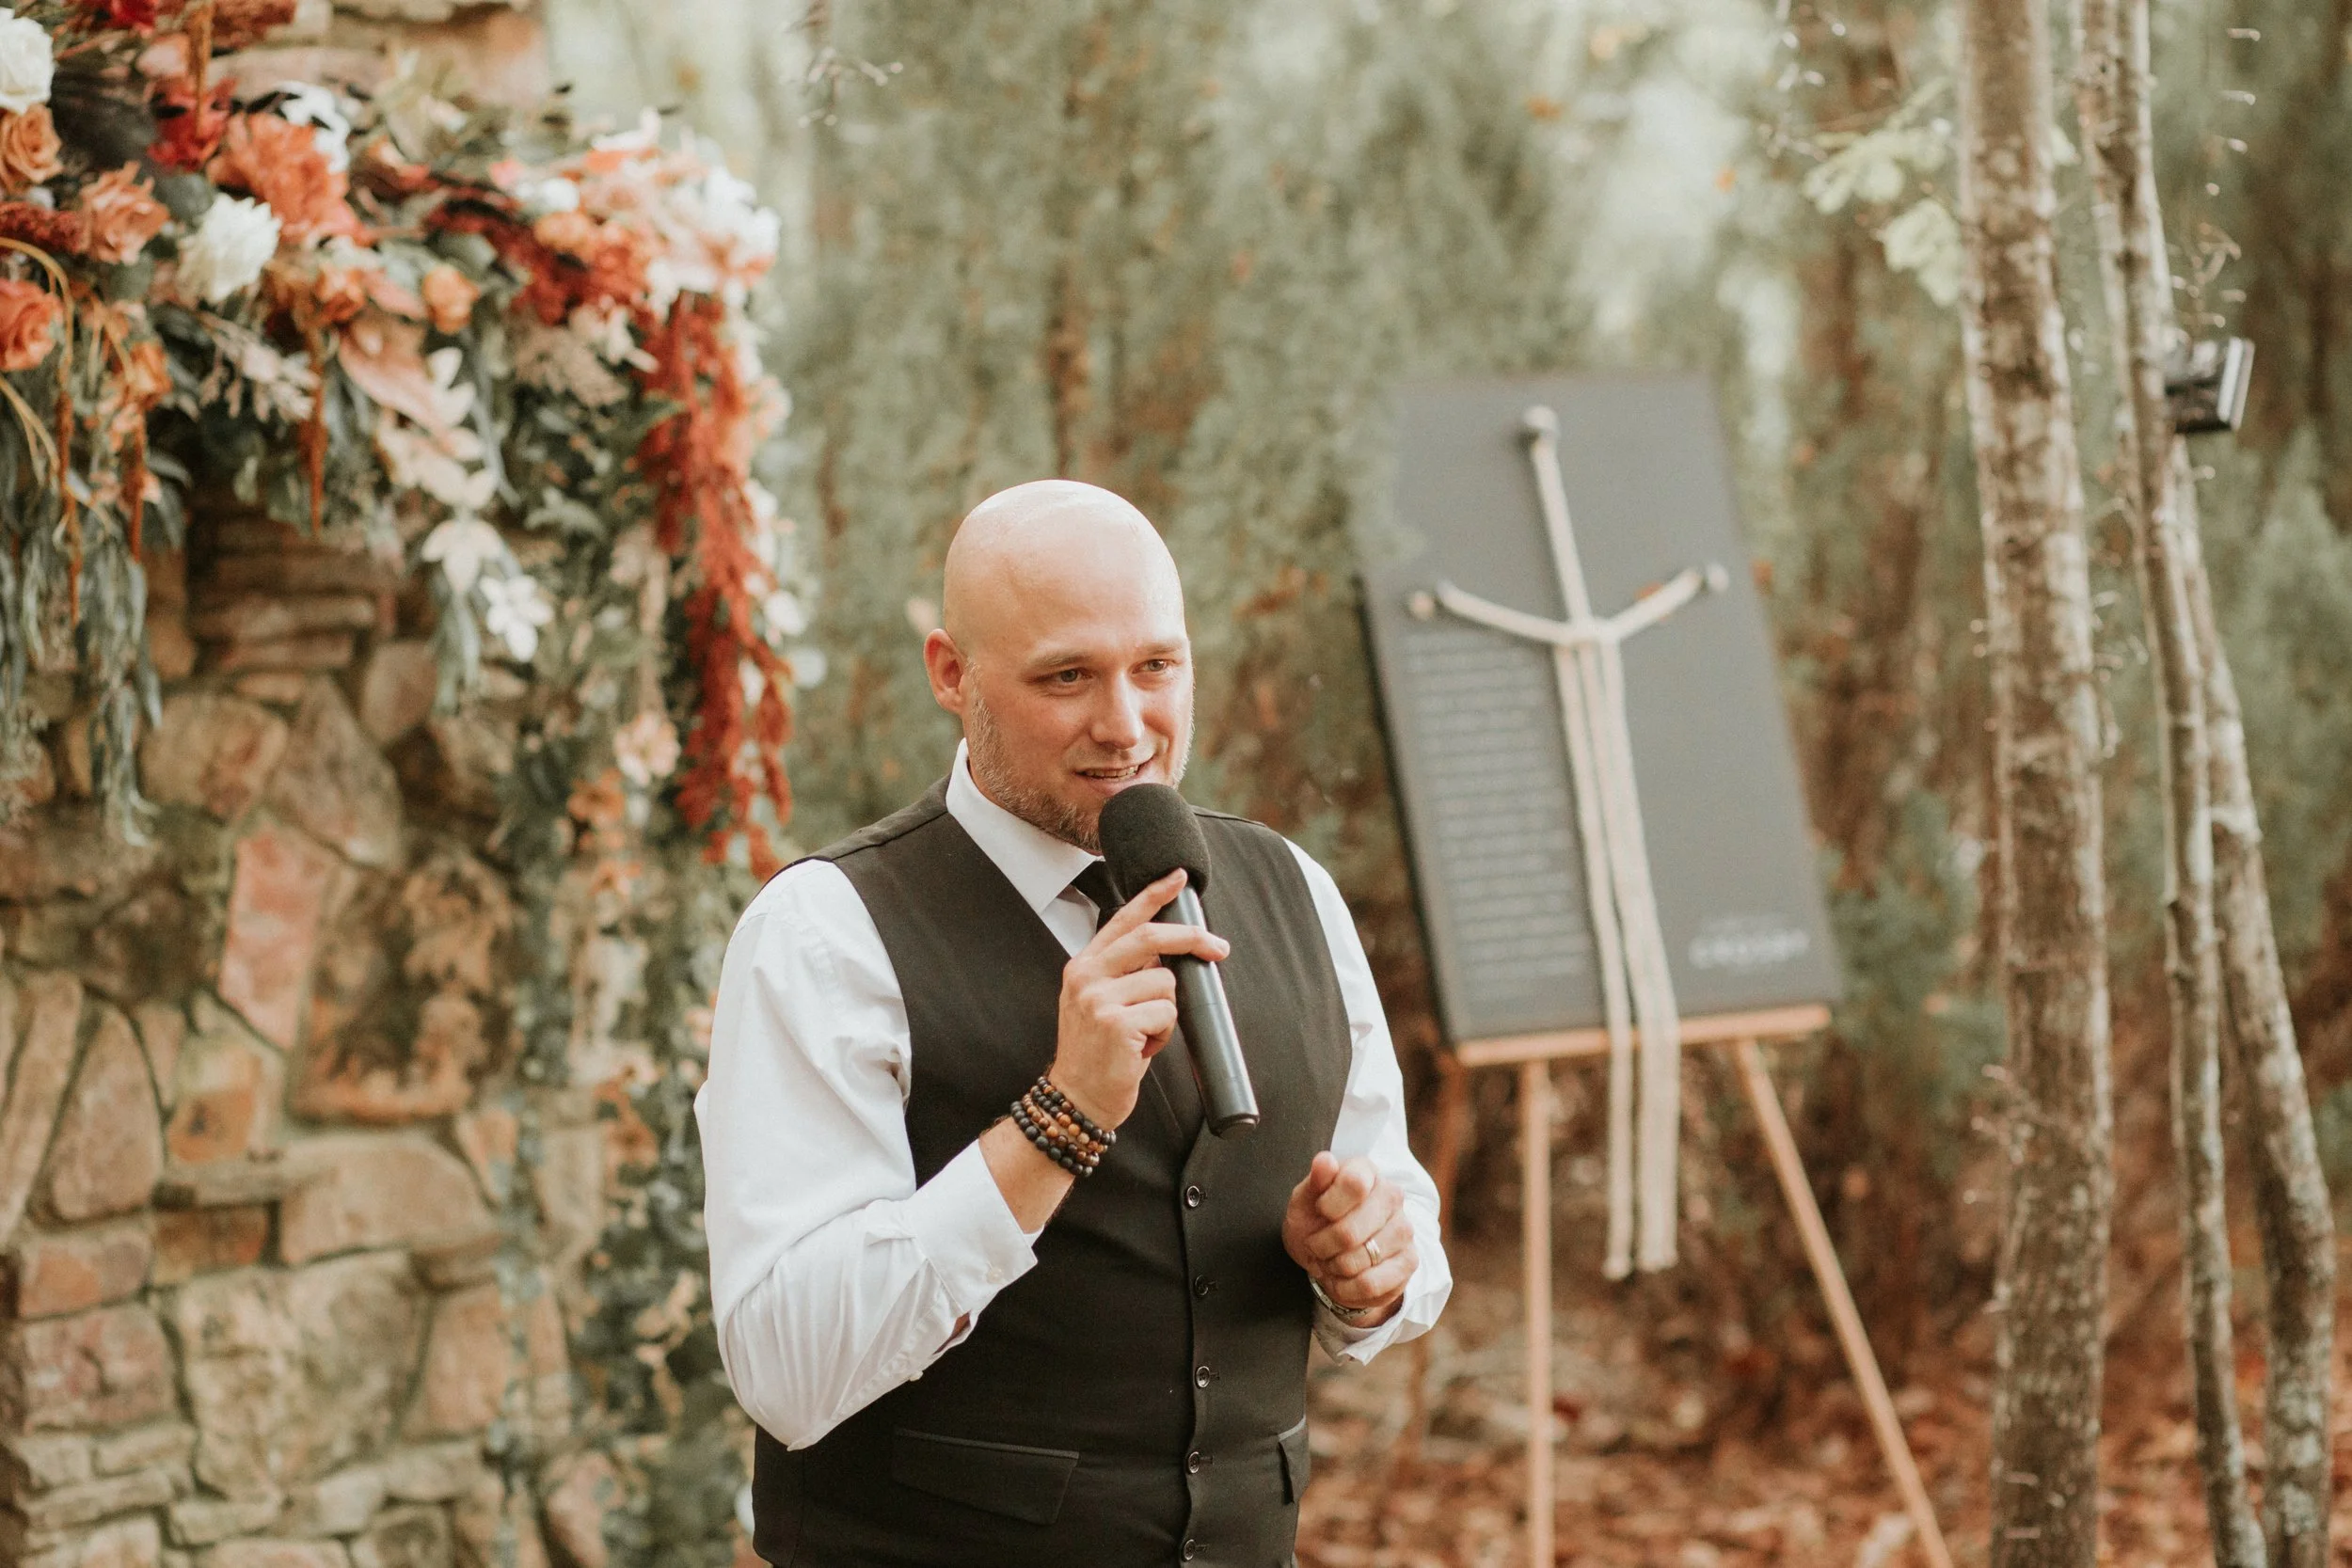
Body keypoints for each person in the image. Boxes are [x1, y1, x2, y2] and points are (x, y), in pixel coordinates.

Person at [699, 479, 1452, 1567]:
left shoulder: (1294, 889)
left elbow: (1402, 1222)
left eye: (1156, 666)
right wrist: (1059, 1117)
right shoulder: (824, 933)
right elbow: (786, 1366)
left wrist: (1367, 1269)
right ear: (951, 674)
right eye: (1067, 676)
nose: (1126, 725)